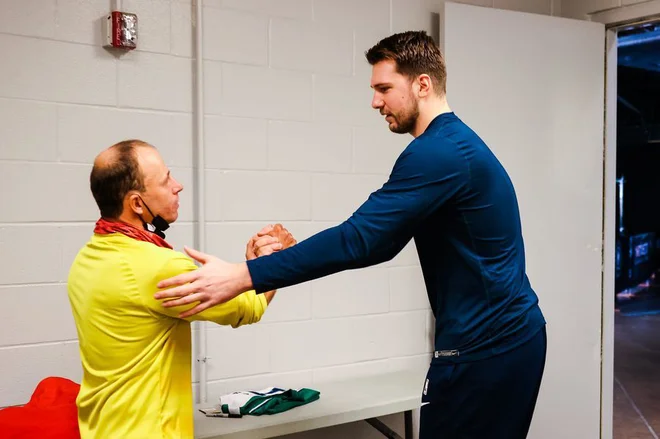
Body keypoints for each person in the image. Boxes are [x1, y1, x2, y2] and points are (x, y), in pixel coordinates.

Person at [155, 31, 547, 439]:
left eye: (384, 88)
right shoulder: (452, 145)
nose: (375, 101)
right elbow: (379, 242)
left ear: (423, 85)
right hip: (505, 340)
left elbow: (360, 240)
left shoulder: (439, 152)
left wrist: (242, 276)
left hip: (489, 348)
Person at [67, 139, 295, 439]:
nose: (178, 186)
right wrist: (275, 262)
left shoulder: (87, 257)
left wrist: (250, 268)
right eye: (165, 180)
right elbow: (248, 309)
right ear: (137, 203)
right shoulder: (159, 266)